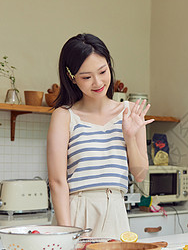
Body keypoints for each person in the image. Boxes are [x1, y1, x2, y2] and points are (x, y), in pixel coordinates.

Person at [47, 33, 153, 238]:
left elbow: (140, 175)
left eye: (102, 71)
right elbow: (57, 182)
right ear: (72, 77)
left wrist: (130, 137)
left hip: (115, 210)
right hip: (77, 212)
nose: (97, 82)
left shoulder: (130, 112)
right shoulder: (64, 116)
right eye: (86, 77)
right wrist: (68, 233)